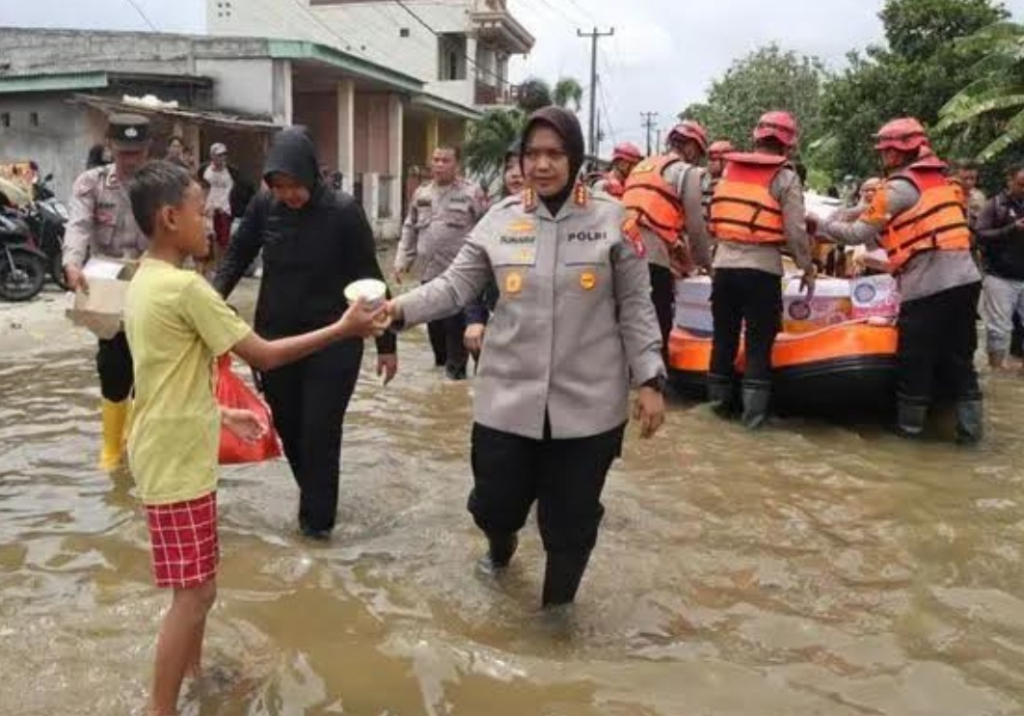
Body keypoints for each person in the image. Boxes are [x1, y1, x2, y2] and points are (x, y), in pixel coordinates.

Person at [123, 160, 387, 716]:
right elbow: (264, 353)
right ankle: (159, 708)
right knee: (193, 596)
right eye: (201, 212)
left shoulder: (142, 280)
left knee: (198, 587)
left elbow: (164, 378)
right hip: (176, 462)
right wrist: (344, 329)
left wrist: (221, 414)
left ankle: (192, 677)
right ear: (171, 218)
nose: (211, 221)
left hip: (165, 446)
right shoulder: (185, 289)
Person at [386, 107, 667, 608]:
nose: (542, 164)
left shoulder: (614, 221)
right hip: (506, 402)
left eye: (555, 153)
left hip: (589, 410)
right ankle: (500, 547)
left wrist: (649, 378)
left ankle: (557, 617)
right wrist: (395, 310)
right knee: (493, 508)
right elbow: (454, 287)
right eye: (532, 153)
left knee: (569, 525)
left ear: (575, 157)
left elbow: (637, 307)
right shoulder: (499, 220)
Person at [214, 127, 398, 540]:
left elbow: (371, 277)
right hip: (276, 344)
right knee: (291, 432)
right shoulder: (264, 207)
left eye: (295, 186)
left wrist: (387, 344)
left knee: (320, 434)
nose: (289, 195)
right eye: (279, 187)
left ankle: (317, 531)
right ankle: (314, 502)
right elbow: (234, 260)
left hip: (335, 340)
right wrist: (205, 309)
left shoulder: (344, 212)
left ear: (312, 175)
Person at [812, 118, 981, 443]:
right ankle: (971, 435)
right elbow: (867, 210)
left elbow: (858, 233)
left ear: (898, 152)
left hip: (928, 284)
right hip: (966, 280)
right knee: (962, 360)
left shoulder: (899, 188)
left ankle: (909, 435)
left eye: (887, 150)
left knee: (914, 360)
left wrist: (821, 225)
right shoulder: (942, 183)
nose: (884, 156)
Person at [706, 111, 816, 429]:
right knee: (758, 346)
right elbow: (795, 232)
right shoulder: (786, 177)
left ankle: (714, 416)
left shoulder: (729, 170)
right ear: (789, 145)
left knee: (723, 341)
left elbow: (716, 219)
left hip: (724, 266)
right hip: (762, 270)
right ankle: (752, 423)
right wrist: (806, 268)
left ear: (756, 137)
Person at [63, 114, 152, 471]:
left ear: (148, 149)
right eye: (123, 151)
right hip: (108, 283)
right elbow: (79, 225)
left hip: (151, 280)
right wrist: (72, 263)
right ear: (109, 145)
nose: (130, 160)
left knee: (150, 365)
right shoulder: (91, 183)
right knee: (113, 365)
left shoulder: (160, 184)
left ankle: (140, 439)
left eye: (137, 152)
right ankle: (112, 447)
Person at [393, 145, 486, 380]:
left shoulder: (471, 193)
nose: (439, 165)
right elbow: (409, 227)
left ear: (457, 165)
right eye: (436, 160)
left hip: (460, 283)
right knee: (438, 351)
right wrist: (402, 259)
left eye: (445, 160)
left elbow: (487, 226)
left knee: (456, 348)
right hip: (430, 279)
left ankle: (456, 381)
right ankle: (442, 397)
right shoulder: (422, 194)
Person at [622, 120, 714, 356]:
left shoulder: (643, 165)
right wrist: (707, 265)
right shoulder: (687, 172)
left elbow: (651, 217)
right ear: (692, 148)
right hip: (649, 257)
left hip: (619, 249)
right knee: (658, 324)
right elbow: (696, 226)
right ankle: (653, 384)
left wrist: (680, 257)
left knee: (626, 321)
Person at [464, 141, 521, 359]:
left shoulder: (564, 223)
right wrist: (474, 319)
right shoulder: (492, 218)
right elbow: (471, 276)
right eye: (509, 167)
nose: (515, 174)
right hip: (495, 325)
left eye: (521, 166)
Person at [976, 164, 1024, 370]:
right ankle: (996, 371)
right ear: (1010, 181)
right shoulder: (995, 205)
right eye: (1022, 184)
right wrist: (1012, 228)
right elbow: (981, 234)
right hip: (999, 275)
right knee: (999, 328)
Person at [702, 140, 735, 221]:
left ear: (725, 161)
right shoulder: (702, 179)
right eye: (709, 159)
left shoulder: (733, 183)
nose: (710, 163)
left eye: (714, 160)